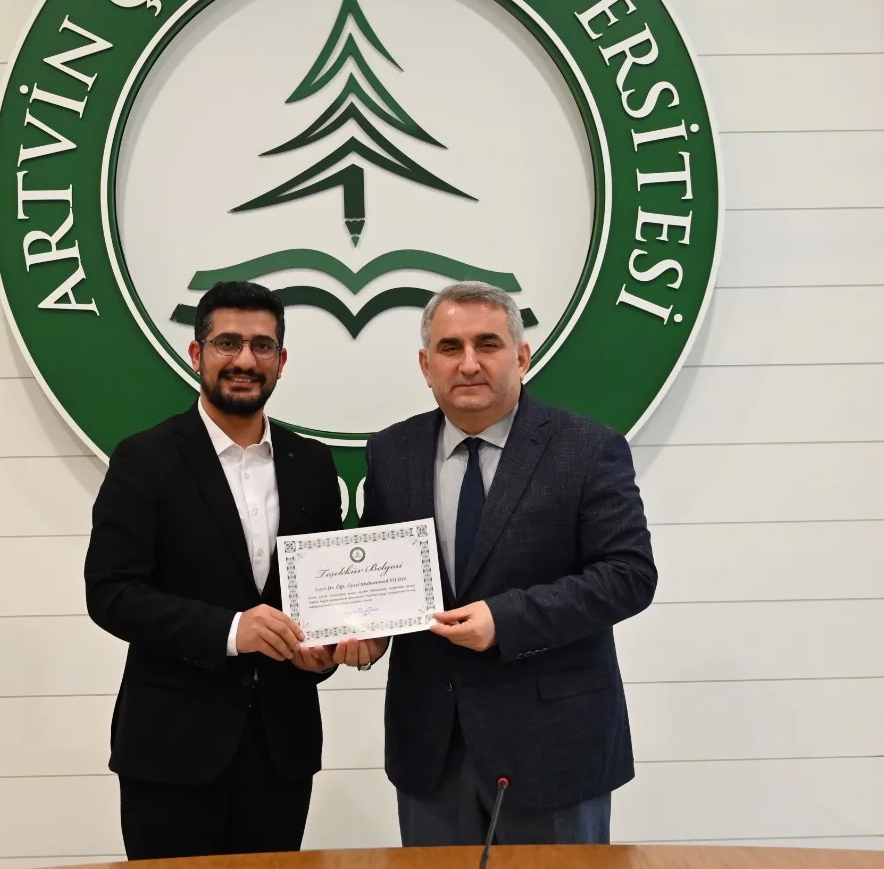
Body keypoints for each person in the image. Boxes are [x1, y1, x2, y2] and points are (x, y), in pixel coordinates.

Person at [334, 280, 658, 845]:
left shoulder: (587, 448)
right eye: (450, 348)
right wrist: (367, 629)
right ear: (425, 365)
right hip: (431, 749)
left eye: (487, 344)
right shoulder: (390, 452)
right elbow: (385, 574)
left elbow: (629, 575)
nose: (469, 364)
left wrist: (506, 620)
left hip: (553, 749)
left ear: (522, 356)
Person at [84, 281, 345, 860]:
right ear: (197, 353)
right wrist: (231, 630)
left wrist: (324, 651)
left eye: (262, 345)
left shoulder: (311, 463)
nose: (245, 360)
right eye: (228, 343)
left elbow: (319, 594)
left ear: (281, 360)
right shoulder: (144, 459)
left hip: (282, 752)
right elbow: (111, 593)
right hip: (171, 751)